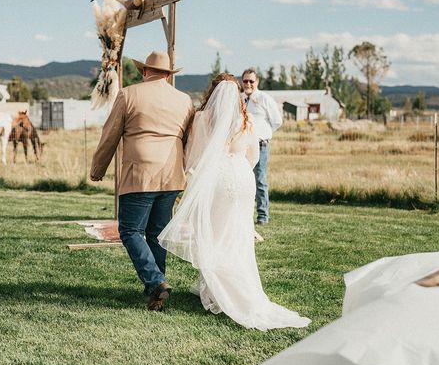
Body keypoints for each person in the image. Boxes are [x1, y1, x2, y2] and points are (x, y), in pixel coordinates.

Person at [158, 74, 310, 330]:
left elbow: (192, 154)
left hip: (216, 180)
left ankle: (221, 290)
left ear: (213, 93)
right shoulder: (245, 121)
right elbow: (251, 157)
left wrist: (198, 176)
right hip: (241, 180)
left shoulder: (201, 118)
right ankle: (232, 286)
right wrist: (235, 166)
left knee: (214, 234)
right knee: (237, 236)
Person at [90, 50, 195, 311]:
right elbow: (187, 139)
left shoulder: (129, 94)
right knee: (157, 234)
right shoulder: (184, 100)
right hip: (172, 174)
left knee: (130, 230)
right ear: (169, 75)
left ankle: (156, 280)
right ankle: (156, 293)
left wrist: (98, 167)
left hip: (140, 173)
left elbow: (110, 133)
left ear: (145, 71)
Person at [241, 68, 282, 227]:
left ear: (257, 82)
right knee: (244, 180)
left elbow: (277, 121)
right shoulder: (239, 99)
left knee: (260, 180)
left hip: (260, 145)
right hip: (243, 147)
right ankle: (244, 216)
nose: (248, 84)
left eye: (251, 81)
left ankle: (263, 215)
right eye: (245, 81)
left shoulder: (265, 98)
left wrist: (263, 133)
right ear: (242, 82)